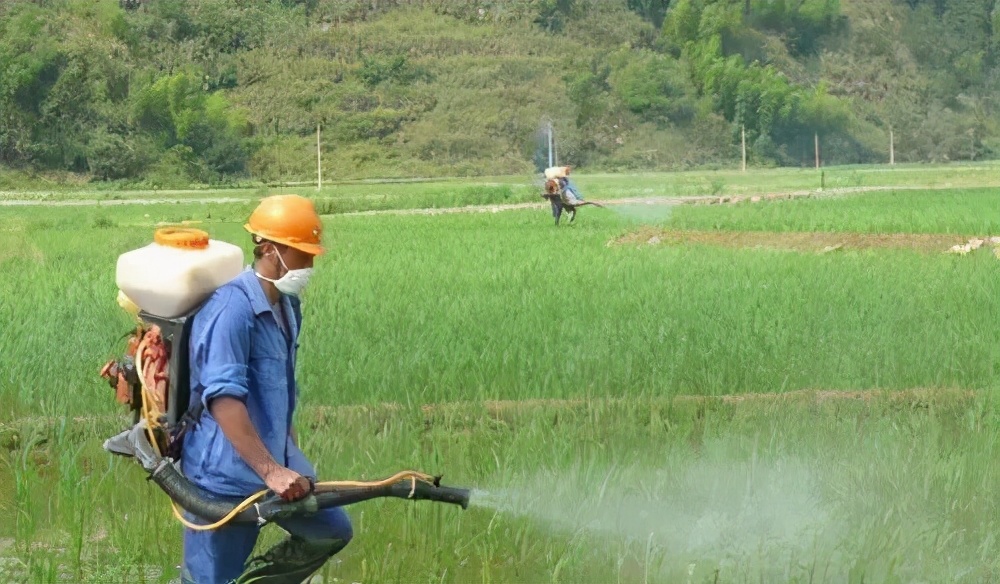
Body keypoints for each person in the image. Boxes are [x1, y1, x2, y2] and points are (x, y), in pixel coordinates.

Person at [179, 194, 353, 584]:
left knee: (331, 531)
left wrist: (287, 458)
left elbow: (279, 390)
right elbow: (224, 399)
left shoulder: (288, 306)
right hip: (224, 477)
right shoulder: (232, 309)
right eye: (302, 253)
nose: (310, 263)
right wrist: (271, 471)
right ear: (270, 249)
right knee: (211, 580)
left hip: (275, 463)